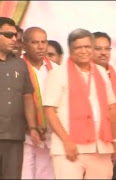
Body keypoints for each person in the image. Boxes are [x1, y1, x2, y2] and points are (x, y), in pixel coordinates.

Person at [42, 28, 116, 179]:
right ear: (70, 50)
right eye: (78, 47)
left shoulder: (102, 73)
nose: (83, 51)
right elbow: (50, 111)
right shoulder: (58, 74)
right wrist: (67, 141)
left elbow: (111, 109)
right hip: (69, 149)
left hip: (101, 147)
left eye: (87, 47)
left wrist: (115, 142)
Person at [0, 17, 40, 179]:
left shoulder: (20, 64)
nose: (14, 39)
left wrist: (32, 127)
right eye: (8, 35)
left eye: (15, 35)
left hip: (14, 135)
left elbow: (27, 96)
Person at [21, 27, 58, 179]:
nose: (41, 46)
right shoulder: (17, 67)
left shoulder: (56, 70)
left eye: (43, 42)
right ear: (24, 45)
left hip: (49, 134)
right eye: (35, 42)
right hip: (23, 135)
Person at [91, 31, 116, 179]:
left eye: (107, 49)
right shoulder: (81, 75)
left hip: (111, 142)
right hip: (87, 143)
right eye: (98, 49)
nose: (103, 53)